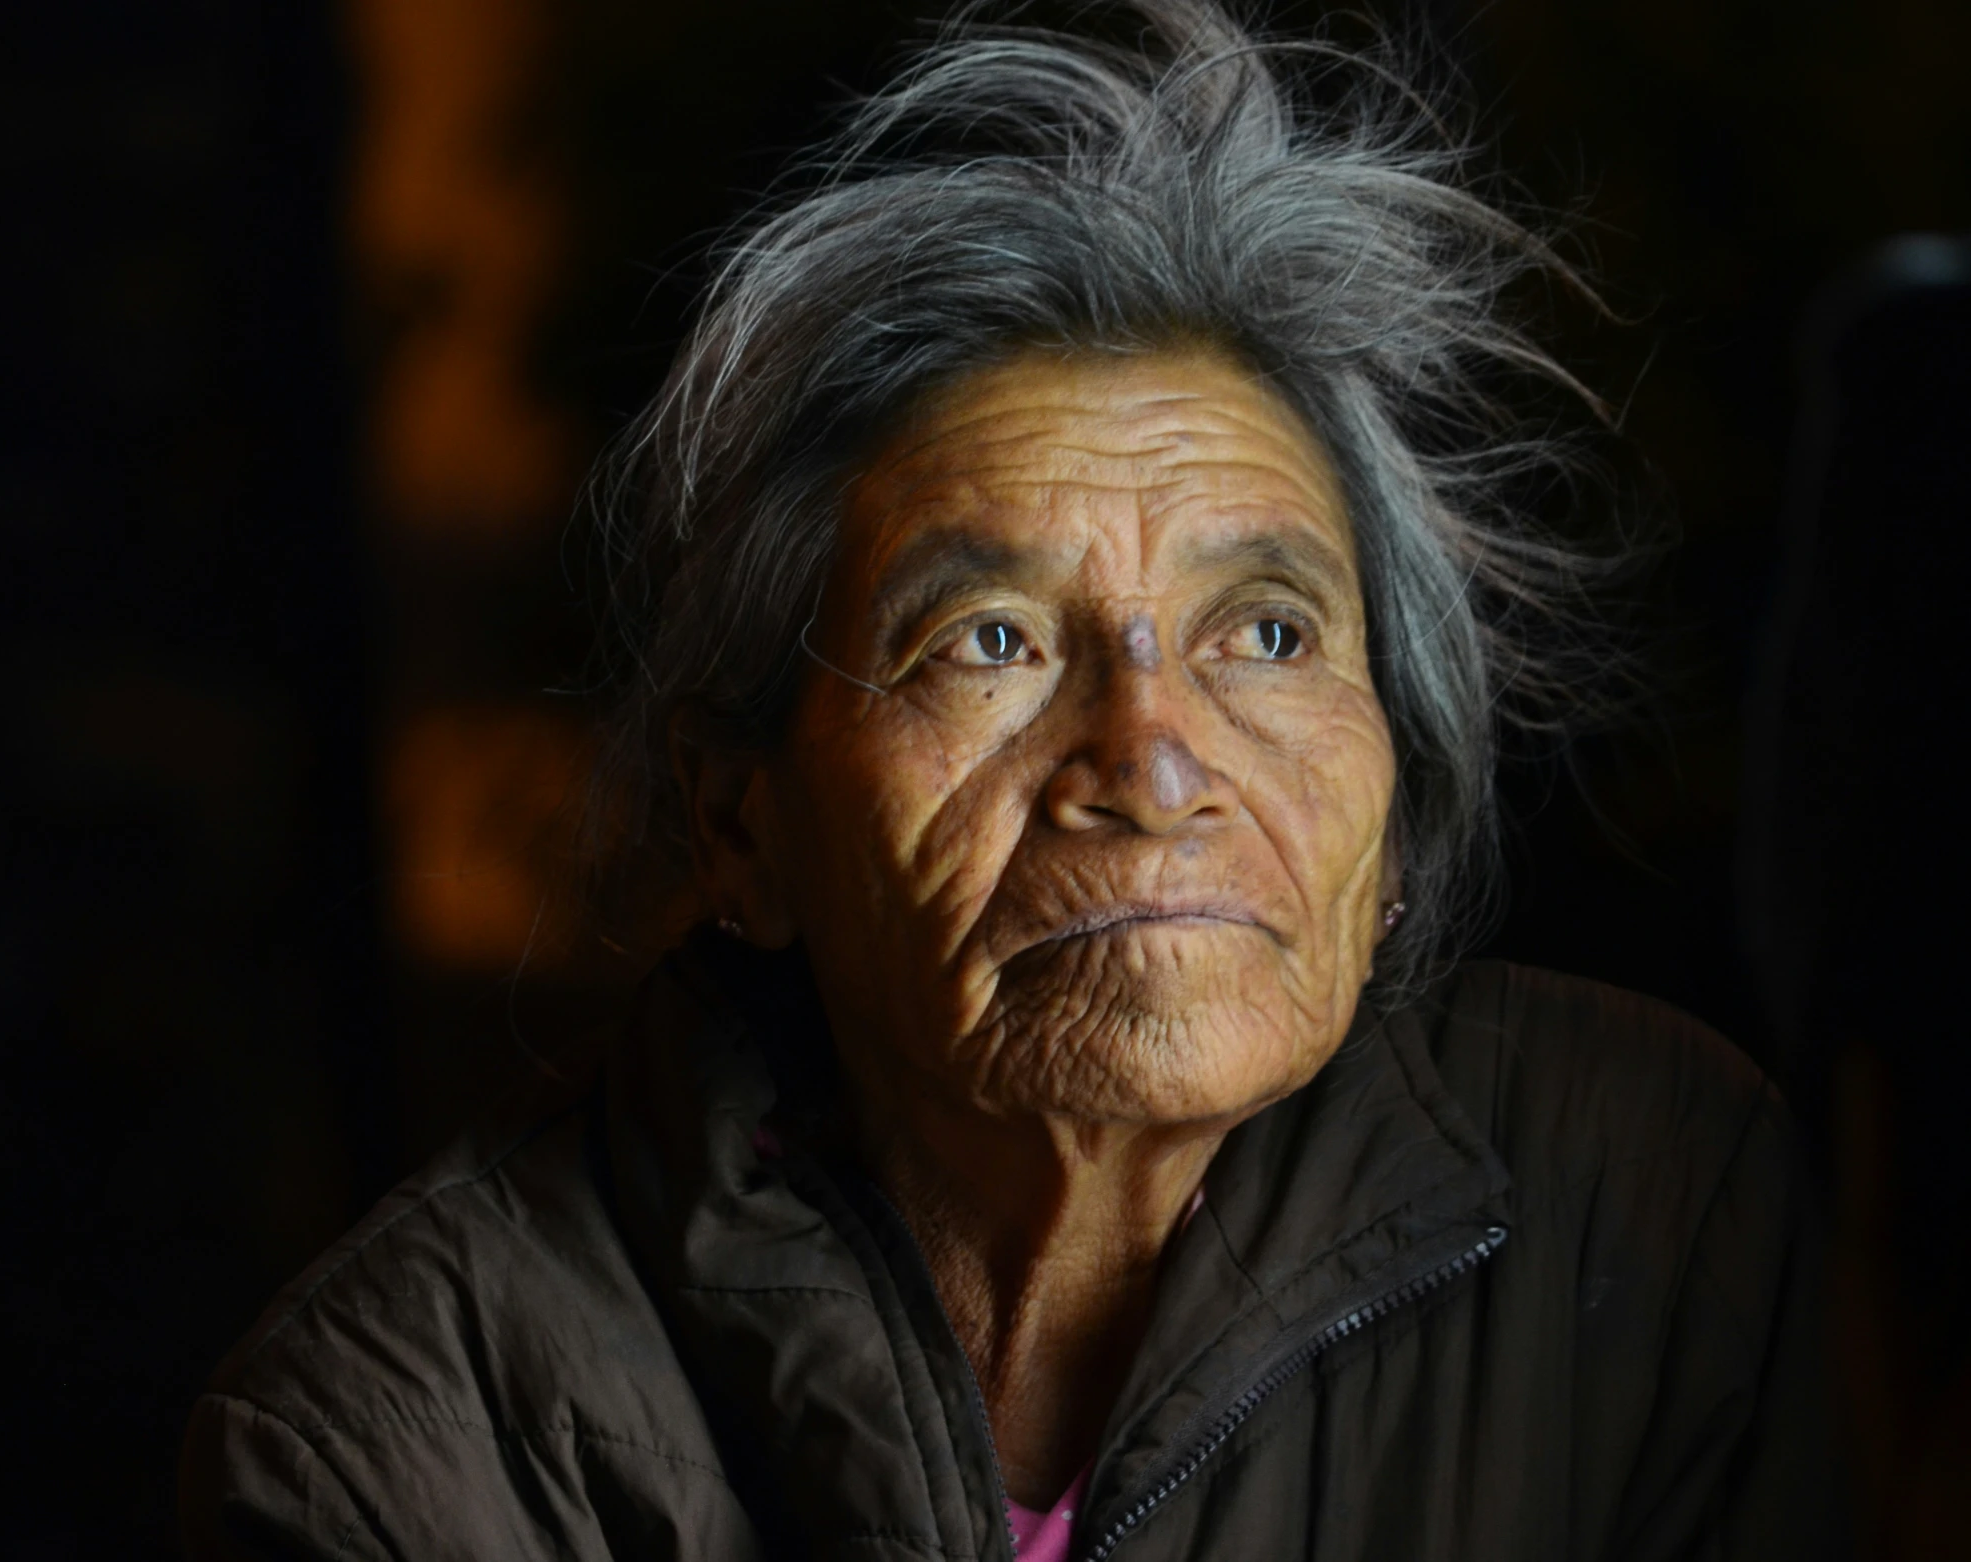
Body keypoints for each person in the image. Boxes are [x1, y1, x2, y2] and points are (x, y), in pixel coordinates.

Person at [180, 3, 1838, 1556]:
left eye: (1263, 633)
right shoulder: (410, 1436)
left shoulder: (1651, 1205)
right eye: (987, 642)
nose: (1151, 756)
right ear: (740, 820)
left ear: (1392, 805)